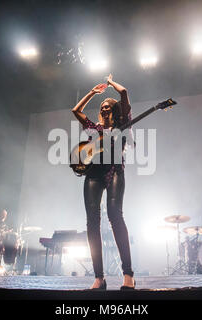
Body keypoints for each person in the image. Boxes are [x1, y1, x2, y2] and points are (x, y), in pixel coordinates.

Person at [71, 74, 135, 290]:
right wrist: (92, 92)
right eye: (103, 105)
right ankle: (99, 277)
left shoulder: (123, 125)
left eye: (109, 105)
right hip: (94, 174)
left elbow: (123, 92)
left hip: (115, 170)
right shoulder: (93, 129)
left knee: (115, 215)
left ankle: (128, 274)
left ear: (115, 111)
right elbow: (76, 111)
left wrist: (110, 84)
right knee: (92, 221)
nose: (105, 107)